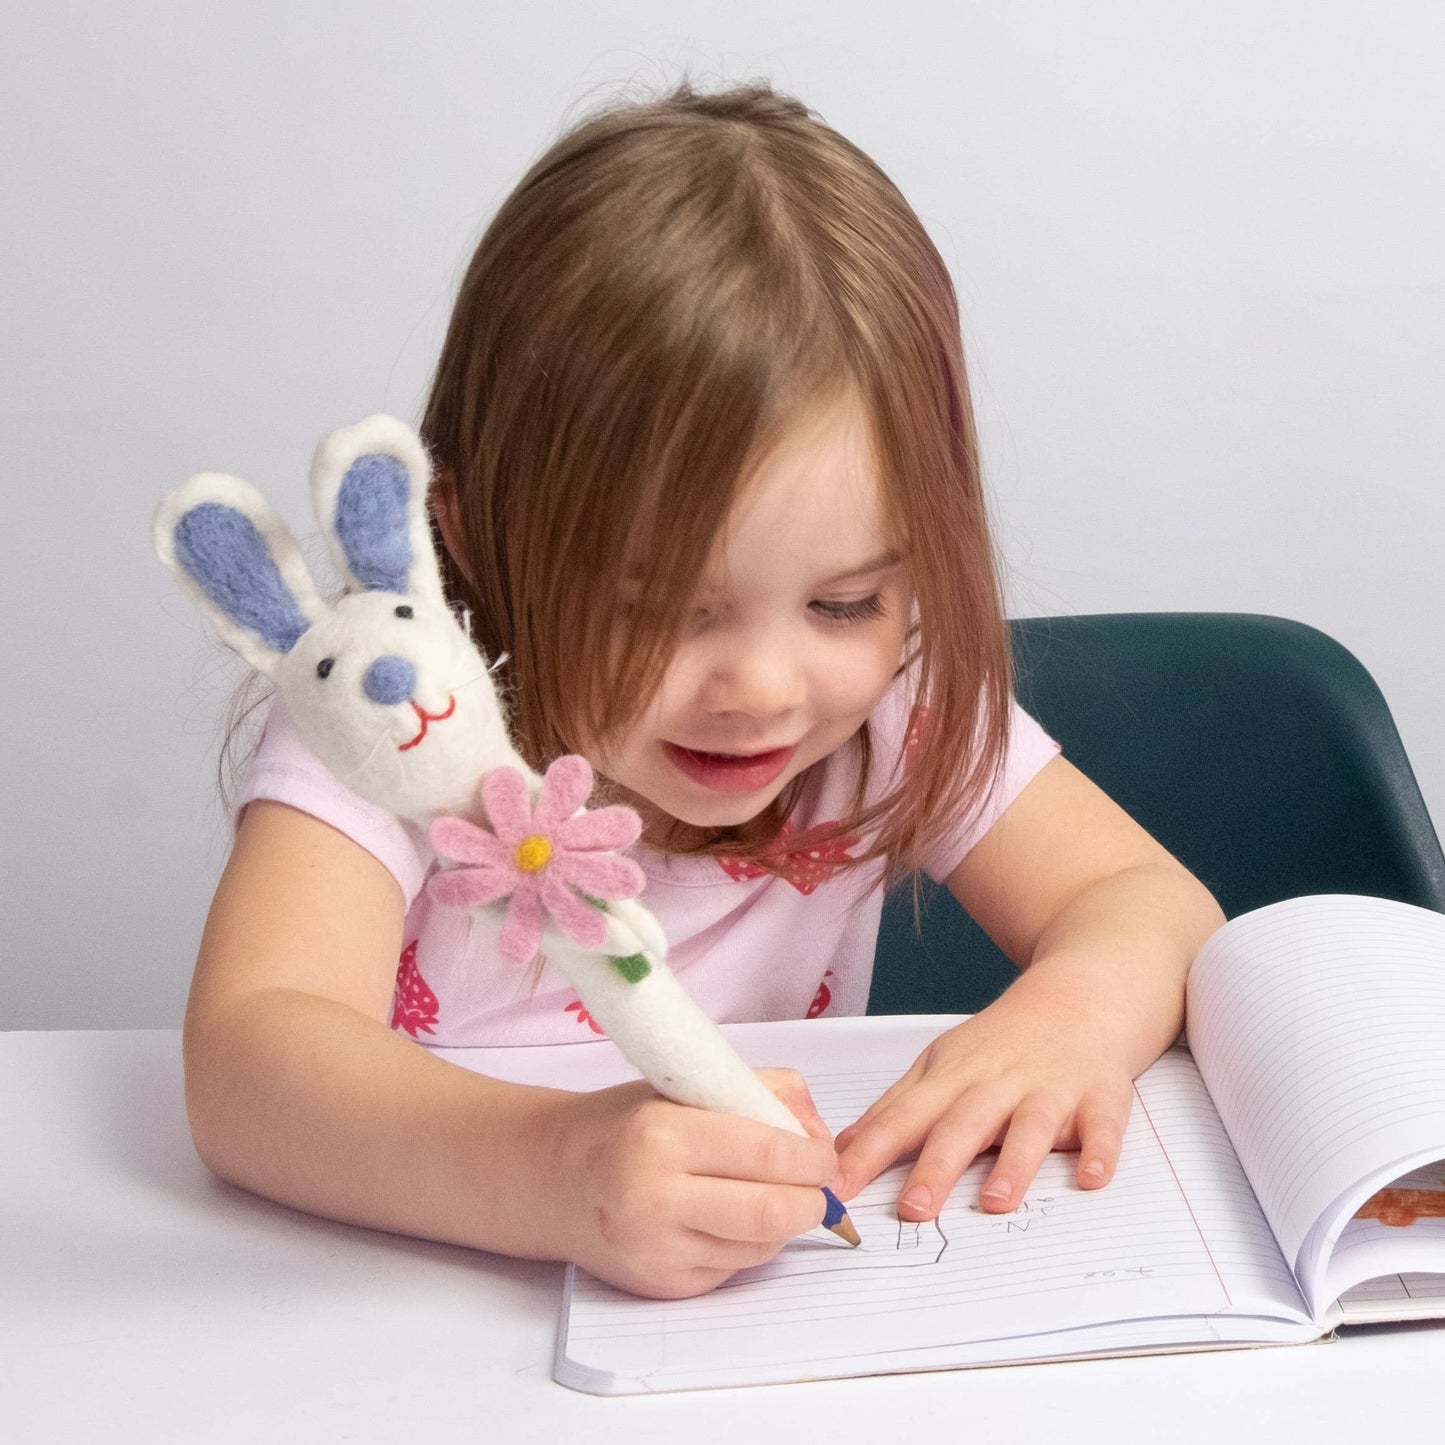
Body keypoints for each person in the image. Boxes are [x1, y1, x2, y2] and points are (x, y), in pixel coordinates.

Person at [185, 79, 1225, 1301]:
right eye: (662, 609)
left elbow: (1146, 899)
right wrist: (556, 1172)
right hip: (395, 1307)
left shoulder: (890, 707)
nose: (764, 687)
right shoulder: (394, 725)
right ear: (468, 534)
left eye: (844, 602)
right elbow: (247, 1061)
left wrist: (1067, 1014)